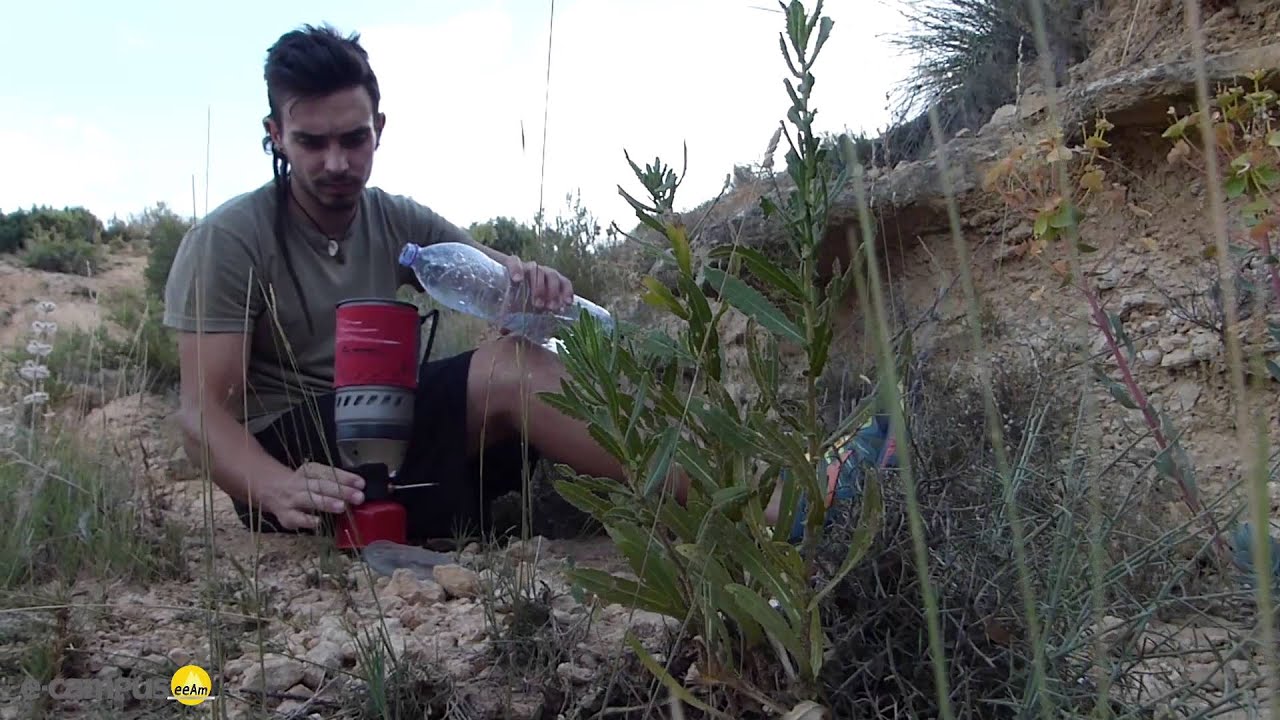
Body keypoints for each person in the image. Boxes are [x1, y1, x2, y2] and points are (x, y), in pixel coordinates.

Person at [163, 24, 638, 543]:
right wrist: (276, 487)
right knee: (512, 370)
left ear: (379, 128)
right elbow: (203, 415)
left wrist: (537, 286)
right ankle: (704, 503)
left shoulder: (392, 217)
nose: (337, 163)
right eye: (311, 142)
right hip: (294, 462)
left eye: (354, 138)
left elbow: (500, 278)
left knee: (525, 350)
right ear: (276, 135)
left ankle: (695, 479)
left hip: (387, 430)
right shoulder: (228, 239)